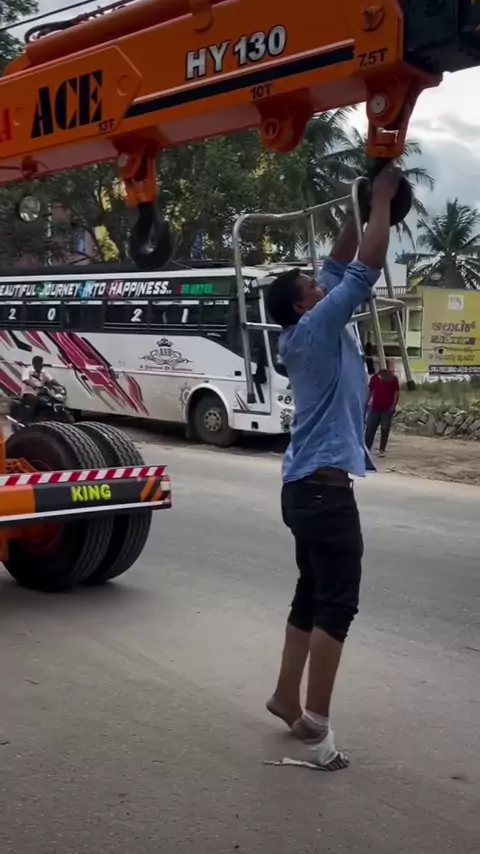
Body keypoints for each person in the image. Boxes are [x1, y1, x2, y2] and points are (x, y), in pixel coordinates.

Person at [264, 165, 401, 770]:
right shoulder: (319, 324)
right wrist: (383, 200)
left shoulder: (303, 327)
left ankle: (285, 696)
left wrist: (356, 207)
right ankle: (316, 730)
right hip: (323, 493)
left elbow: (341, 256)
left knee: (311, 593)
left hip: (304, 489)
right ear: (304, 303)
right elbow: (366, 263)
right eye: (314, 285)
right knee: (336, 605)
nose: (324, 283)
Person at [365, 367, 400, 456]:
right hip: (375, 408)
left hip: (387, 409)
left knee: (384, 429)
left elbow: (396, 393)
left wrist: (393, 406)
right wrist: (366, 402)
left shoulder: (393, 379)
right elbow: (370, 391)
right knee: (370, 429)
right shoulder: (374, 378)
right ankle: (366, 448)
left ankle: (382, 449)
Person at [20, 356, 56, 421]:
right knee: (35, 400)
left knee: (52, 401)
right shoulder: (28, 370)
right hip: (29, 393)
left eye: (41, 363)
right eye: (39, 363)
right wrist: (34, 386)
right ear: (34, 364)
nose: (41, 365)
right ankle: (28, 420)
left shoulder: (44, 371)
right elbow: (26, 380)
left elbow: (51, 379)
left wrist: (59, 385)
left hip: (41, 392)